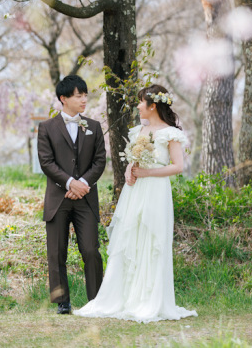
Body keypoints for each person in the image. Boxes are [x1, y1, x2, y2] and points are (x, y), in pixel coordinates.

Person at [73, 84, 197, 323]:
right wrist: (131, 169)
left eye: (141, 102)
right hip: (135, 191)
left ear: (152, 106)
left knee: (152, 241)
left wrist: (147, 173)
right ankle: (125, 297)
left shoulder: (170, 133)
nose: (138, 106)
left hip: (156, 191)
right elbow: (134, 160)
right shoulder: (138, 130)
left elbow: (178, 166)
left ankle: (149, 299)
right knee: (130, 239)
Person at [37, 75, 107, 315]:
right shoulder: (46, 127)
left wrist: (83, 183)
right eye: (79, 96)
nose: (84, 100)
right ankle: (62, 302)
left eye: (85, 95)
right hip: (59, 199)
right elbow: (46, 162)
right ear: (63, 99)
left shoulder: (94, 126)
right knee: (56, 253)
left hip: (86, 198)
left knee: (91, 250)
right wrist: (69, 183)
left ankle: (96, 300)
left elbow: (100, 161)